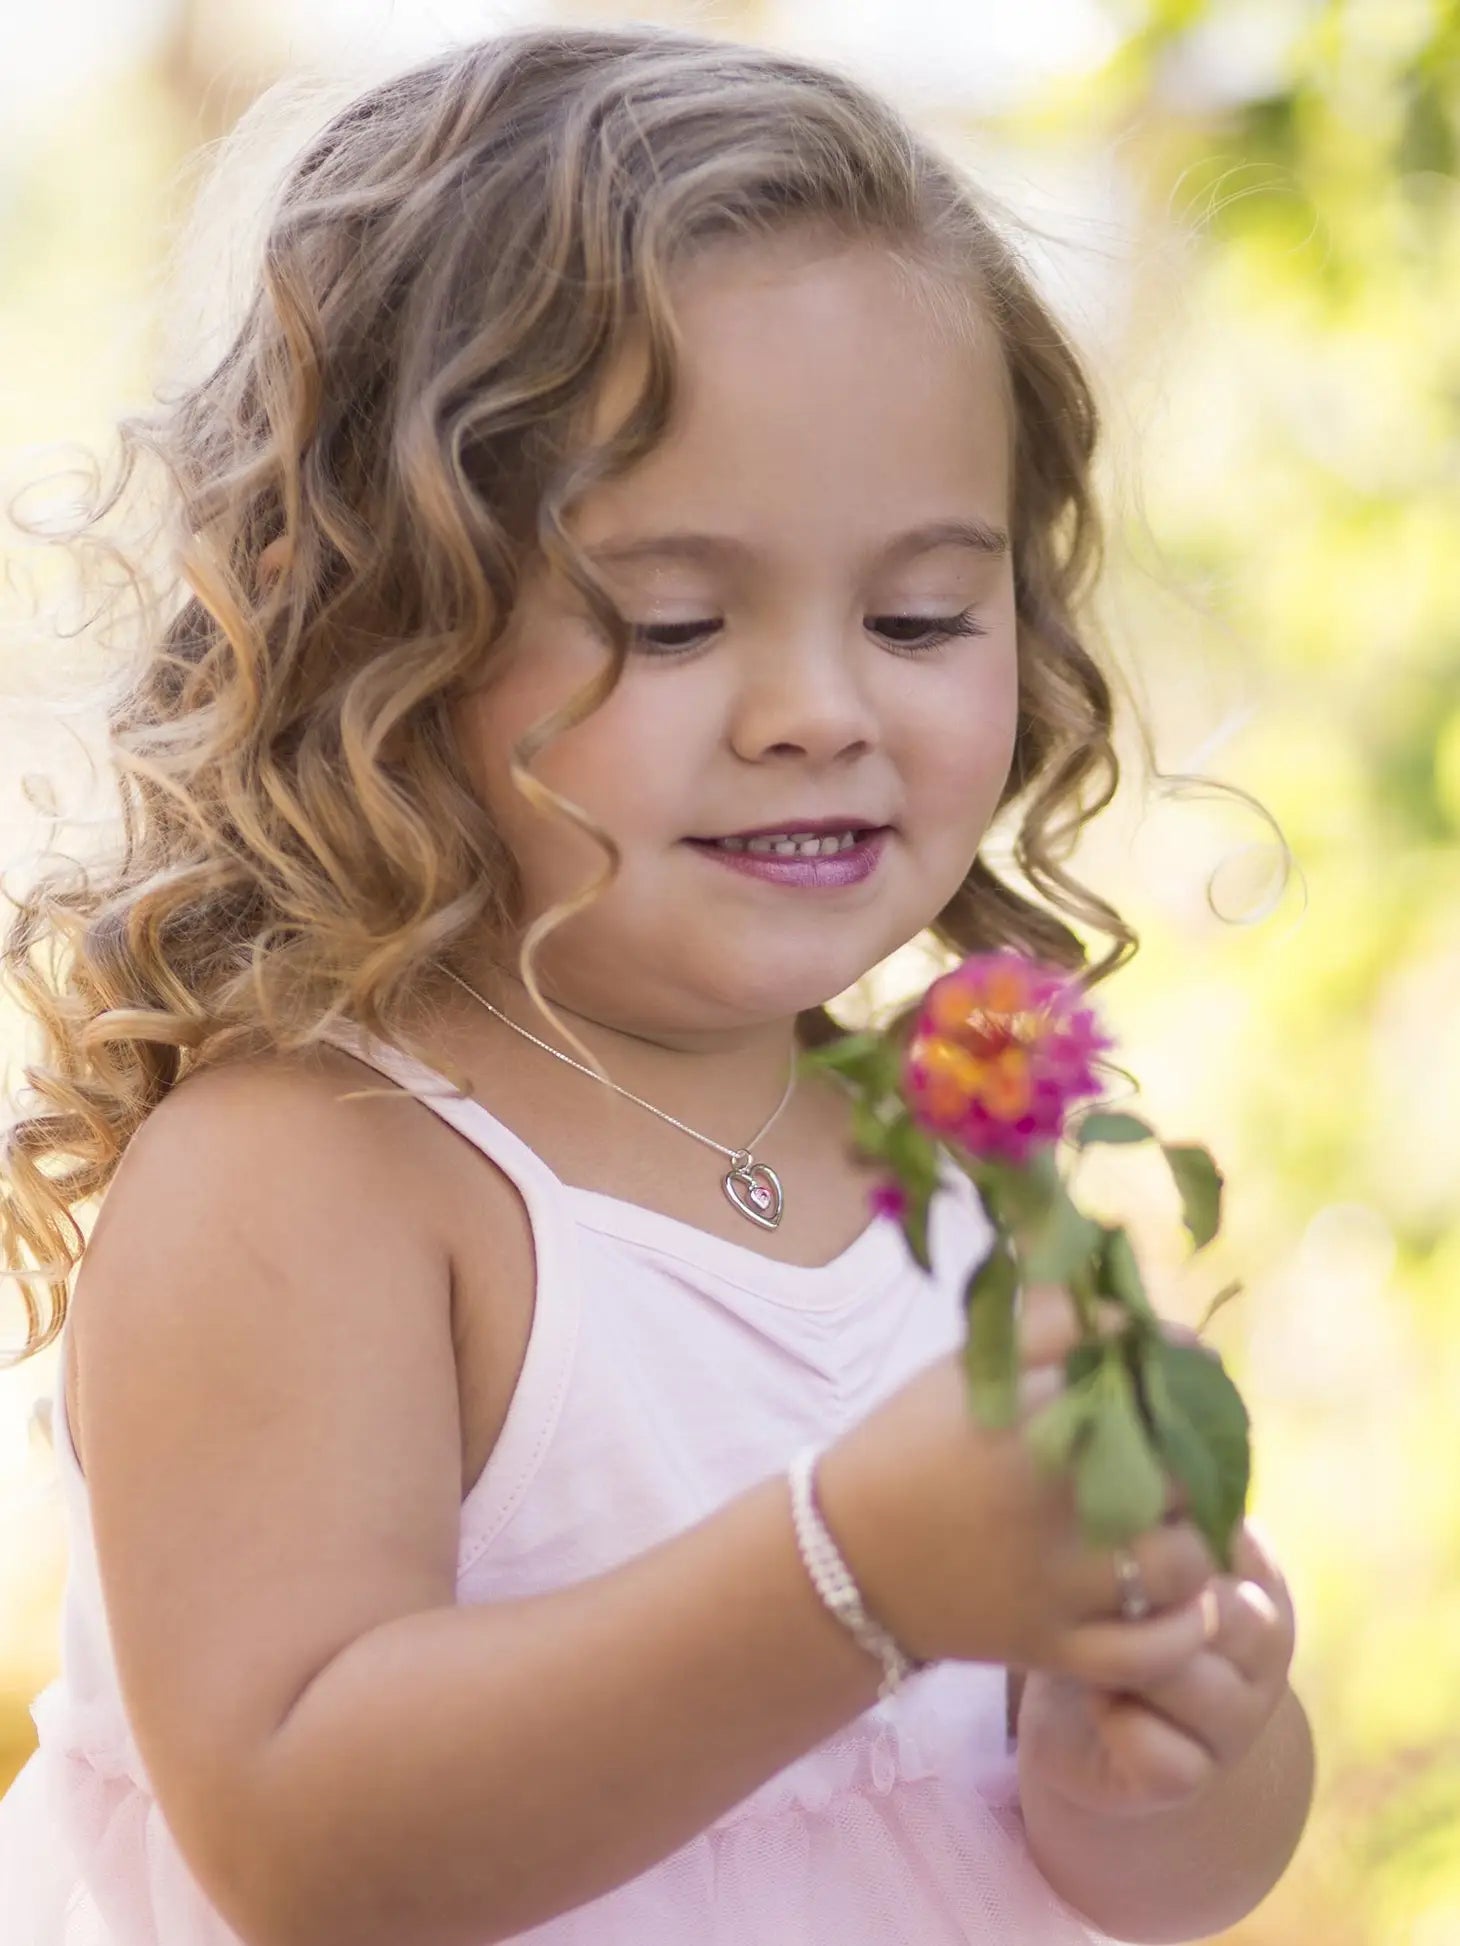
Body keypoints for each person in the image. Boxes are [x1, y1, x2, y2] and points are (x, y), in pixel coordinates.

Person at [0, 23, 1310, 1946]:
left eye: (922, 613)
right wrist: (851, 1577)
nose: (818, 711)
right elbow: (306, 1843)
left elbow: (1141, 1864)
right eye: (676, 622)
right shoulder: (313, 1174)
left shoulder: (951, 1156)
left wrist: (1173, 1744)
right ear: (380, 626)